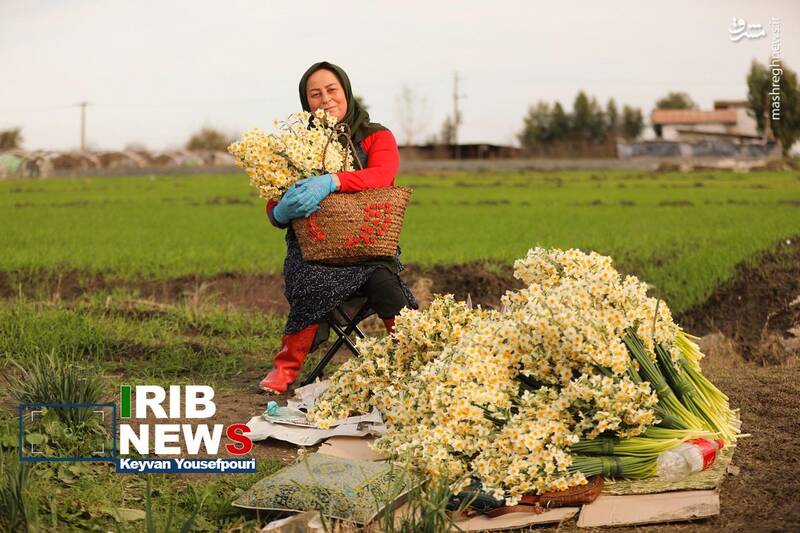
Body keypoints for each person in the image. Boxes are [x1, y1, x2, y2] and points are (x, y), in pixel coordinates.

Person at [259, 61, 418, 394]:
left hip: (367, 247)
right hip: (313, 251)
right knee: (309, 282)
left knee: (385, 282)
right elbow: (274, 206)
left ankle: (414, 359)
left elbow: (382, 176)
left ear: (346, 92)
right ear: (306, 103)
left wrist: (332, 181)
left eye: (332, 90)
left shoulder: (376, 136)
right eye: (315, 94)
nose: (325, 99)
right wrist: (282, 210)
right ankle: (285, 367)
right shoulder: (296, 145)